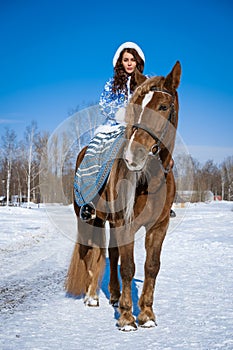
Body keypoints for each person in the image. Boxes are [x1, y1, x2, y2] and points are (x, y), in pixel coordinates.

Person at [78, 42, 175, 220]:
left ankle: (165, 203)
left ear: (138, 62)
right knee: (94, 153)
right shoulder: (112, 83)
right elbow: (105, 105)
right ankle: (89, 200)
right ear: (120, 63)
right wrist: (122, 114)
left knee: (164, 157)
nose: (129, 63)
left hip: (137, 127)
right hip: (113, 126)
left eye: (133, 60)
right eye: (126, 60)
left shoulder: (146, 84)